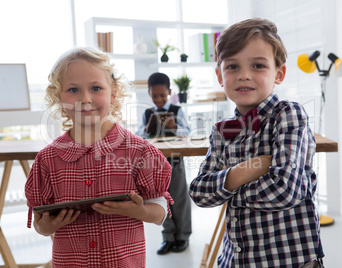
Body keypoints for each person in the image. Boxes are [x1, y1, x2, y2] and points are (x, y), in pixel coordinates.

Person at [189, 18, 324, 268]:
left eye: (258, 65)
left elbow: (285, 191)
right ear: (220, 75)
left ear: (279, 73)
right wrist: (245, 171)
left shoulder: (288, 114)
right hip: (236, 260)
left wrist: (227, 191)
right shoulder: (222, 130)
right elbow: (198, 192)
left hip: (289, 260)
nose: (244, 75)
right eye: (232, 67)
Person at [25, 47, 173, 267]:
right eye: (73, 90)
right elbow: (39, 225)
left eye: (96, 88)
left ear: (113, 93)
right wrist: (50, 225)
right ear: (59, 97)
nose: (85, 98)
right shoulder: (47, 160)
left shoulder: (139, 151)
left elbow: (160, 211)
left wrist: (138, 210)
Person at [136, 72, 192, 255]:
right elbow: (138, 136)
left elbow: (188, 132)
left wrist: (175, 127)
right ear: (149, 93)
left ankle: (182, 236)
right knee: (160, 199)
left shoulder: (177, 110)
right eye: (154, 96)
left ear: (169, 91)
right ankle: (168, 236)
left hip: (175, 161)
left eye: (162, 95)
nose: (158, 99)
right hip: (155, 164)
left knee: (180, 199)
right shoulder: (147, 113)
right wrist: (146, 129)